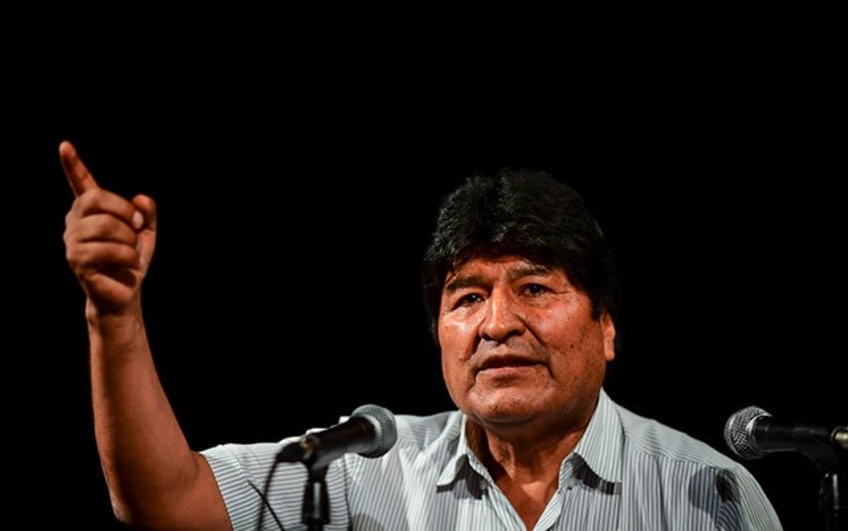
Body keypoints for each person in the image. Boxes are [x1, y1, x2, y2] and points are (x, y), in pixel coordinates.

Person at [60, 139, 783, 531]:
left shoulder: (707, 496)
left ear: (608, 328)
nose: (497, 324)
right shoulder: (359, 472)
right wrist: (113, 318)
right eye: (467, 296)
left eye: (533, 288)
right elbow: (165, 499)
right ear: (439, 330)